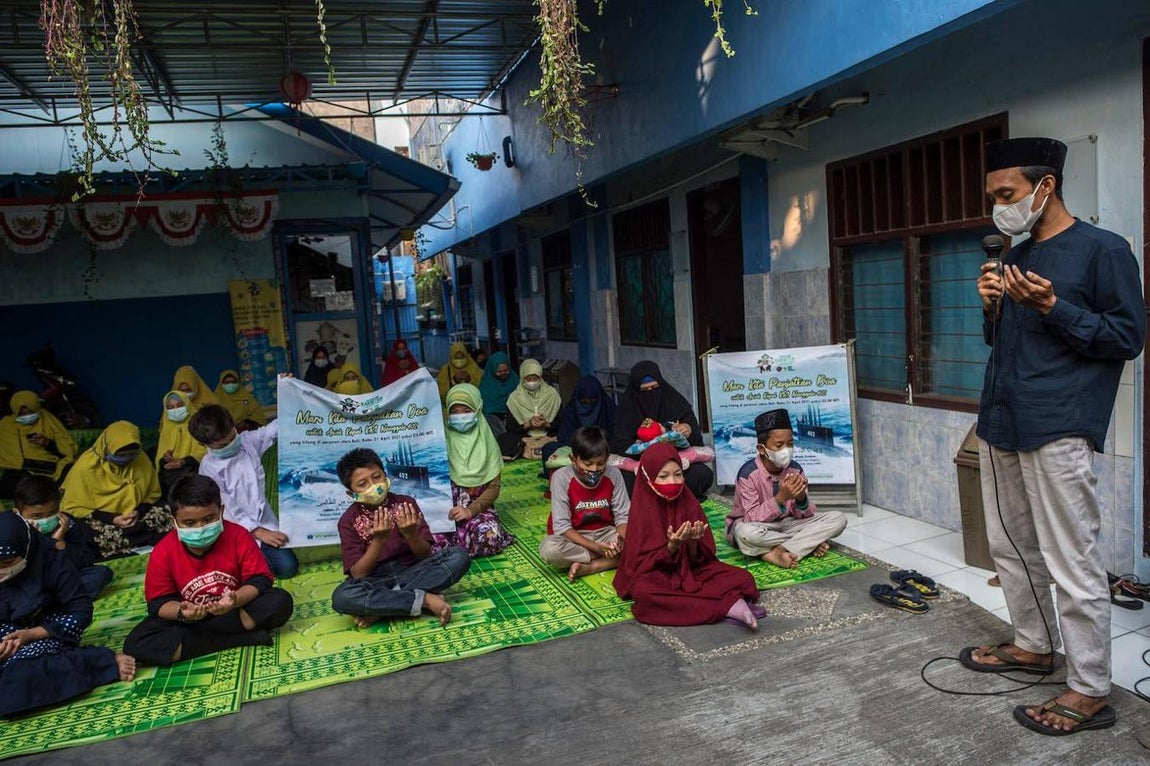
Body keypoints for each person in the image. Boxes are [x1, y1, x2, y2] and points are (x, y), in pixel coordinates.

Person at [964, 137, 1145, 736]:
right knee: (1011, 547)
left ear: (1046, 186)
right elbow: (1004, 343)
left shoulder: (1104, 250)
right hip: (1001, 419)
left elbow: (1126, 339)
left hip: (1058, 423)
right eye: (993, 198)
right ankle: (1034, 644)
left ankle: (1089, 686)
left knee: (1072, 560)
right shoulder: (1014, 255)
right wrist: (991, 308)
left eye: (1007, 194)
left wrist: (1053, 306)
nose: (999, 207)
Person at [122, 475, 294, 667]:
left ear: (221, 512)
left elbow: (259, 580)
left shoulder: (238, 535)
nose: (201, 528)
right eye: (189, 523)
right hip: (189, 620)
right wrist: (182, 613)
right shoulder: (163, 551)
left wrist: (234, 600)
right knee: (136, 644)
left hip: (234, 610)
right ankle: (239, 639)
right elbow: (158, 603)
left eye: (208, 519)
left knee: (280, 601)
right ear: (173, 521)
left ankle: (199, 641)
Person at [0, 511, 134, 718]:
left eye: (7, 561)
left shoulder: (51, 560)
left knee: (18, 680)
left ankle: (98, 661)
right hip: (5, 637)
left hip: (47, 631)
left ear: (25, 547)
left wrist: (29, 635)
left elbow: (81, 611)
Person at [613, 442, 760, 629]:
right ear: (648, 477)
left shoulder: (688, 501)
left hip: (692, 570)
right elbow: (639, 565)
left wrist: (692, 543)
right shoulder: (641, 509)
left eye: (678, 474)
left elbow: (704, 559)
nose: (672, 482)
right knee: (644, 593)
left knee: (744, 578)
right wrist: (671, 547)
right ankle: (728, 606)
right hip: (658, 575)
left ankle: (710, 606)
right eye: (663, 476)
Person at [331, 448, 470, 628]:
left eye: (377, 477)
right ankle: (424, 600)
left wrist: (411, 534)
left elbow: (425, 556)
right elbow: (359, 574)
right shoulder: (347, 521)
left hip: (414, 571)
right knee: (342, 596)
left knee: (459, 556)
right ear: (352, 494)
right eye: (363, 484)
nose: (374, 486)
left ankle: (385, 608)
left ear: (385, 476)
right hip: (376, 580)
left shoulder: (406, 503)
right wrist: (379, 540)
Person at [724, 409, 845, 569]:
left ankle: (776, 551)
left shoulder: (796, 469)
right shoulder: (748, 474)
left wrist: (801, 498)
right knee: (744, 534)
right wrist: (780, 498)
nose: (786, 450)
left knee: (838, 519)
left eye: (790, 444)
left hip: (789, 523)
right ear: (762, 449)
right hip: (758, 527)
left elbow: (803, 515)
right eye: (779, 445)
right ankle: (806, 544)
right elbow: (751, 518)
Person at [189, 404, 298, 579]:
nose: (231, 444)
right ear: (204, 444)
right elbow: (227, 507)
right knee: (239, 572)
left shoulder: (247, 442)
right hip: (234, 530)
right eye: (223, 445)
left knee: (287, 568)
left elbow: (273, 431)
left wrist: (292, 399)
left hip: (265, 522)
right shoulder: (209, 468)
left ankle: (256, 559)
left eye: (233, 437)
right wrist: (257, 531)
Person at [60, 421, 171, 559]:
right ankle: (143, 539)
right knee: (85, 532)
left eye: (131, 454)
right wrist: (113, 519)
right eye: (120, 454)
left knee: (168, 511)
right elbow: (73, 507)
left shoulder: (141, 459)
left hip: (137, 515)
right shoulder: (86, 467)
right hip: (103, 520)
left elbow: (152, 494)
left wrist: (138, 511)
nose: (126, 459)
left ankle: (129, 543)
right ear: (106, 448)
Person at [610, 361, 712, 499]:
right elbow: (619, 444)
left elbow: (695, 439)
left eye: (654, 388)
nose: (650, 394)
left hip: (674, 465)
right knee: (622, 479)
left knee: (701, 474)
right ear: (635, 390)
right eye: (644, 390)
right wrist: (640, 444)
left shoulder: (675, 402)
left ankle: (657, 496)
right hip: (641, 467)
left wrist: (687, 430)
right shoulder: (626, 409)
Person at [539, 426, 629, 581]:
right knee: (549, 549)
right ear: (573, 459)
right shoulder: (561, 478)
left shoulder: (614, 474)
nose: (594, 469)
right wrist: (598, 549)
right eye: (587, 464)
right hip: (575, 537)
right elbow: (562, 527)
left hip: (607, 534)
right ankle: (611, 558)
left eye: (601, 463)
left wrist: (619, 541)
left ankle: (594, 566)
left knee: (644, 540)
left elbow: (623, 517)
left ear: (607, 458)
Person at [442, 384, 515, 557]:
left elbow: (494, 488)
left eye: (466, 410)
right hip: (445, 511)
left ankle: (456, 550)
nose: (460, 416)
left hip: (478, 510)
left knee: (488, 536)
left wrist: (470, 510)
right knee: (425, 539)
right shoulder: (439, 441)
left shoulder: (487, 444)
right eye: (454, 412)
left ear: (477, 410)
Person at [15, 475, 112, 599]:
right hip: (32, 585)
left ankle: (49, 601)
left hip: (62, 581)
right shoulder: (13, 530)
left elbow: (86, 560)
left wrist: (59, 543)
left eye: (52, 512)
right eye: (36, 516)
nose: (46, 519)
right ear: (17, 513)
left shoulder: (67, 523)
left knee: (100, 574)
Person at [0, 390, 78, 497]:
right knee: (19, 480)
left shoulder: (48, 421)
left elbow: (67, 451)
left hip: (50, 468)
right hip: (20, 470)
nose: (27, 416)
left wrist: (47, 443)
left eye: (31, 412)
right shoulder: (5, 426)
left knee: (73, 470)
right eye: (23, 414)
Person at [542, 375, 616, 471]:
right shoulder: (570, 411)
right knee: (548, 449)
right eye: (583, 402)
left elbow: (615, 436)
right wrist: (582, 446)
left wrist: (597, 445)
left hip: (601, 448)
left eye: (592, 401)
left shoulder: (608, 409)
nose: (588, 406)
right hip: (576, 447)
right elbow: (565, 437)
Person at [498, 359, 561, 459]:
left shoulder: (552, 394)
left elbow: (561, 422)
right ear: (522, 378)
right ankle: (535, 449)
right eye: (529, 379)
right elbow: (510, 427)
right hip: (524, 437)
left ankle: (533, 450)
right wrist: (528, 424)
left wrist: (546, 424)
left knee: (567, 435)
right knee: (504, 438)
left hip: (549, 435)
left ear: (540, 377)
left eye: (535, 379)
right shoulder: (514, 398)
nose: (532, 382)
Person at [156, 390, 207, 498]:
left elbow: (206, 451)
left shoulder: (198, 425)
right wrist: (166, 458)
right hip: (171, 473)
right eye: (170, 407)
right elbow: (160, 455)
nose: (175, 410)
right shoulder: (166, 428)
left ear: (187, 405)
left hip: (196, 470)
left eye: (179, 406)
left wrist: (184, 461)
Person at [476, 351, 518, 434]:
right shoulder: (486, 385)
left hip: (514, 417)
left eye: (506, 371)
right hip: (492, 420)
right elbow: (486, 408)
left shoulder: (515, 380)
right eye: (499, 372)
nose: (503, 374)